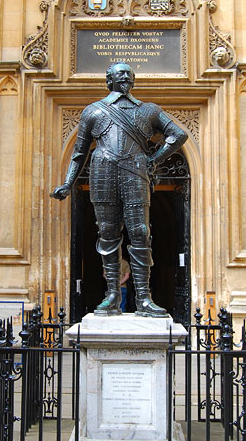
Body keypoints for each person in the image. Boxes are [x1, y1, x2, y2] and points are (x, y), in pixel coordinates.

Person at [51, 62, 188, 317]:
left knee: (140, 232)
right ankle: (113, 294)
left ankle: (144, 298)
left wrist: (154, 159)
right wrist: (69, 183)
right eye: (119, 73)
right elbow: (79, 153)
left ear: (134, 80)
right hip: (103, 172)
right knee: (107, 233)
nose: (124, 77)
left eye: (128, 73)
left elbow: (178, 134)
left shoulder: (149, 110)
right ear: (109, 80)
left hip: (135, 172)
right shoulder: (93, 111)